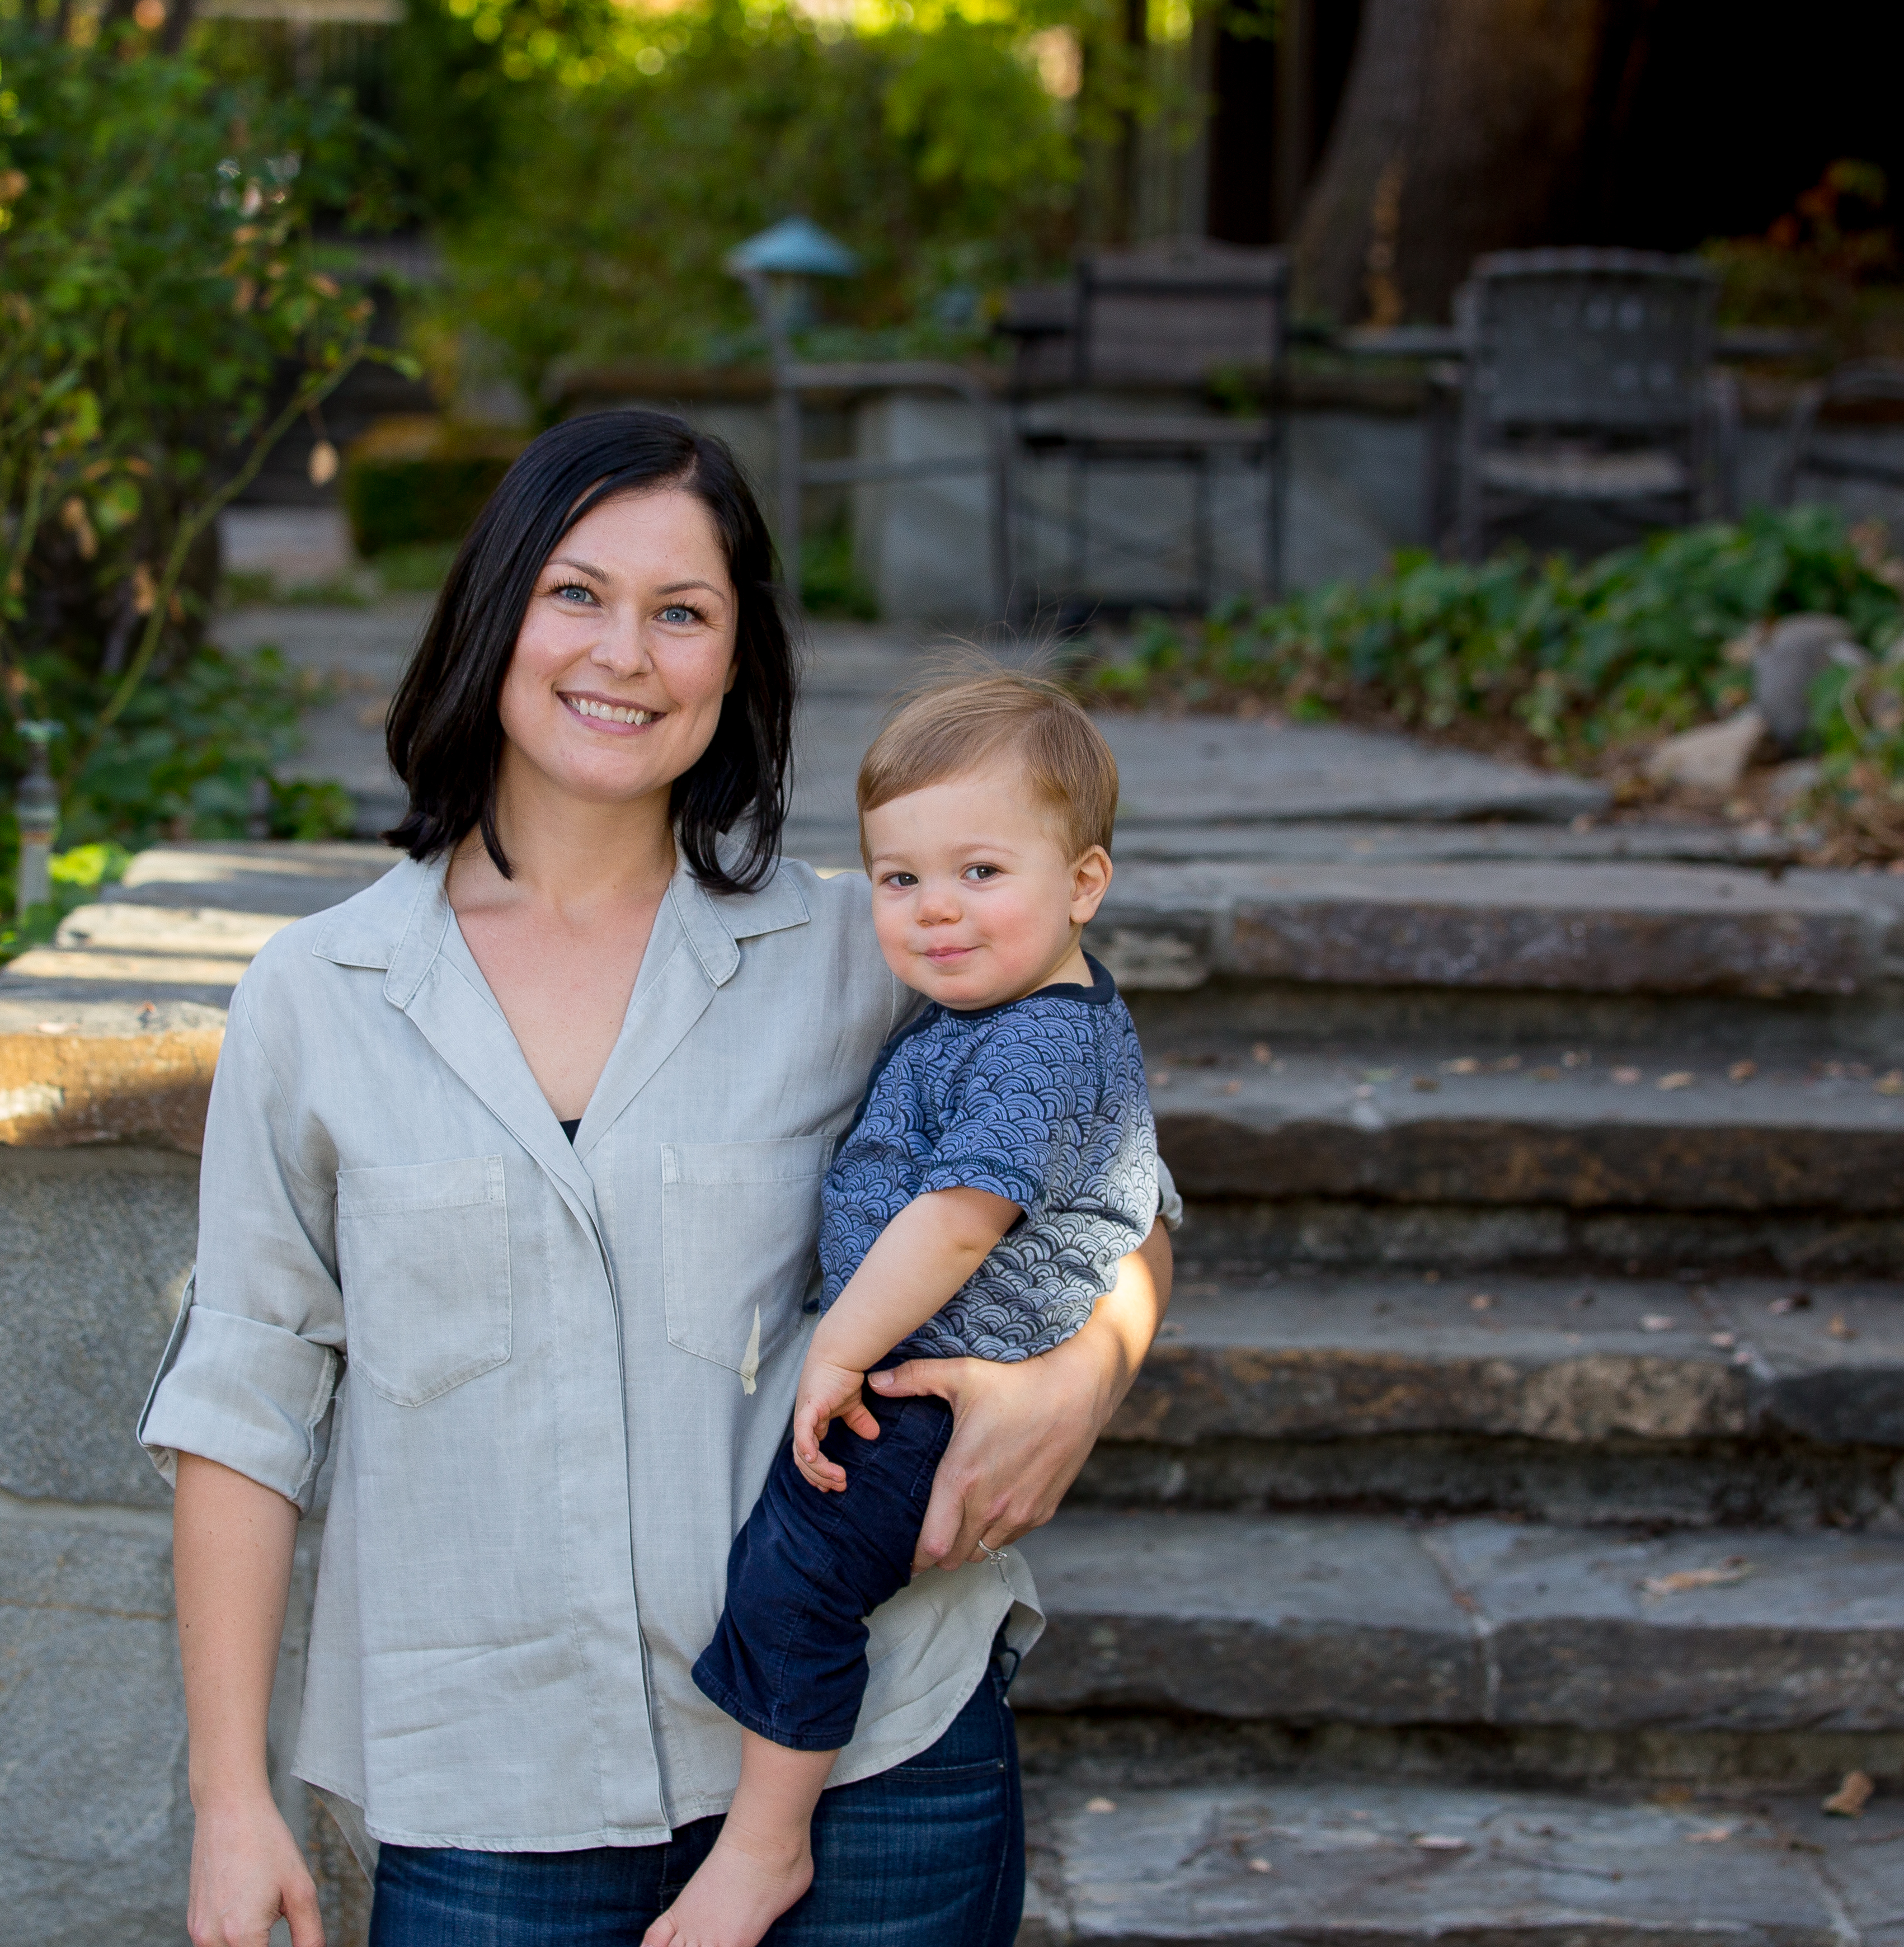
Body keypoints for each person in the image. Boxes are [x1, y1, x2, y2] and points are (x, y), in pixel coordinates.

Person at [138, 408, 1176, 1947]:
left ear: (734, 661)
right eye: (578, 594)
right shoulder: (320, 994)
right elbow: (246, 1395)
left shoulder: (861, 945)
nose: (625, 653)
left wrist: (1080, 1379)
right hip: (494, 1796)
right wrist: (233, 1802)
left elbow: (1119, 1174)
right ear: (494, 611)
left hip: (878, 1759)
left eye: (682, 613)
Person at [651, 671, 1162, 1947]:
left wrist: (838, 1349)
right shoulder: (992, 1008)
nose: (935, 911)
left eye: (981, 874)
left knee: (795, 1583)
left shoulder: (1040, 1040)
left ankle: (763, 1848)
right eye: (899, 880)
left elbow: (959, 1215)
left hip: (934, 1382)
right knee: (792, 1577)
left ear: (1083, 884)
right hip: (926, 1360)